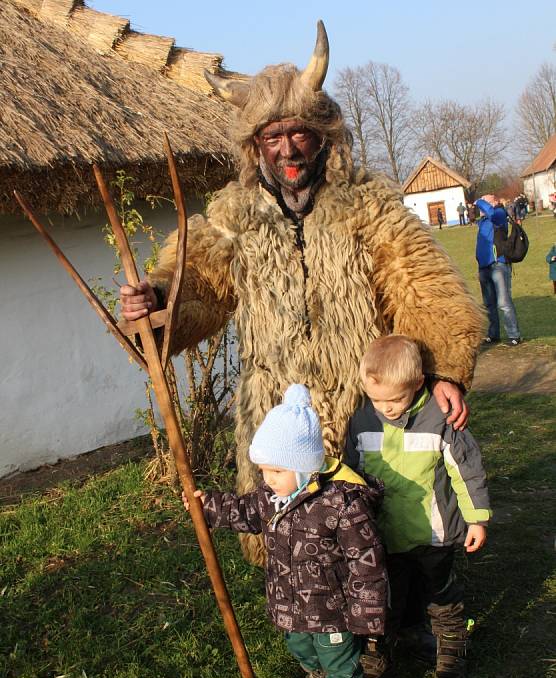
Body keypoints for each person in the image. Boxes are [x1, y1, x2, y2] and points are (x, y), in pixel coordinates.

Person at [120, 21, 484, 568]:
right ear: (255, 147)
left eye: (300, 135)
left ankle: (384, 626)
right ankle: (316, 635)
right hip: (277, 408)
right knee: (289, 533)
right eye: (272, 138)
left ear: (323, 138)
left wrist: (446, 371)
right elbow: (198, 283)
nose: (288, 150)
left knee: (377, 525)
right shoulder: (233, 216)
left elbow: (421, 286)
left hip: (365, 403)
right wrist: (157, 299)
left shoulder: (368, 205)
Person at [183, 384, 387, 678]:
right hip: (290, 602)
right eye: (264, 470)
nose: (267, 479)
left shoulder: (341, 504)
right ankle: (316, 671)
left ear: (305, 466)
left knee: (341, 662)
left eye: (276, 470)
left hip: (332, 609)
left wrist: (366, 610)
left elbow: (365, 561)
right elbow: (245, 512)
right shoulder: (272, 497)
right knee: (299, 647)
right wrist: (209, 506)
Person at [345, 335, 491, 678]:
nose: (388, 409)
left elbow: (465, 469)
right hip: (386, 535)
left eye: (396, 399)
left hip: (435, 535)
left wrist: (477, 517)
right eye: (378, 400)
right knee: (383, 598)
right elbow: (351, 473)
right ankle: (377, 656)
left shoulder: (440, 419)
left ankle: (451, 653)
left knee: (441, 596)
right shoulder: (362, 418)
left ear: (418, 383)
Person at [475, 194, 522, 346]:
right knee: (489, 303)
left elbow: (493, 214)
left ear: (494, 202)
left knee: (503, 302)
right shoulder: (482, 221)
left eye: (486, 201)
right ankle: (493, 334)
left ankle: (514, 335)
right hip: (484, 267)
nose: (481, 207)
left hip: (498, 265)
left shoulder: (500, 214)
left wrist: (480, 202)